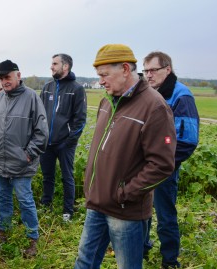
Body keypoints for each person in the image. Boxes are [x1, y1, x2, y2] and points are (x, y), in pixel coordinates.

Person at [74, 44, 176, 269]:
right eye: (98, 76)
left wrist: (124, 193)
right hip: (97, 202)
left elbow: (162, 165)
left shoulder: (154, 107)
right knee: (84, 262)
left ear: (125, 69)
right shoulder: (107, 101)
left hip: (125, 210)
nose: (101, 81)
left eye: (104, 75)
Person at [0, 60, 49, 257]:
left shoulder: (31, 98)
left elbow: (42, 132)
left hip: (21, 163)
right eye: (1, 78)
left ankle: (32, 238)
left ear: (18, 75)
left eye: (7, 77)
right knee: (3, 197)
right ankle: (4, 230)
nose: (4, 82)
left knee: (24, 199)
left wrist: (27, 154)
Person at [142, 51, 199, 268]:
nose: (148, 75)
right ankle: (143, 249)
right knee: (143, 211)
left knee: (165, 215)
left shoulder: (180, 95)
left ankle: (170, 260)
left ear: (168, 69)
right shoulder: (149, 93)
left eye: (153, 70)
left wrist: (163, 164)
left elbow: (187, 141)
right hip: (145, 166)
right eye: (146, 71)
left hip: (165, 168)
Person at [39, 53, 87, 221]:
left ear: (65, 66)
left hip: (65, 144)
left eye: (54, 63)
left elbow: (80, 119)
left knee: (67, 177)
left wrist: (69, 141)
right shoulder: (47, 88)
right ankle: (46, 206)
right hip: (47, 143)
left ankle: (68, 211)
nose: (51, 66)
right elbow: (39, 114)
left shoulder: (77, 89)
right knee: (47, 176)